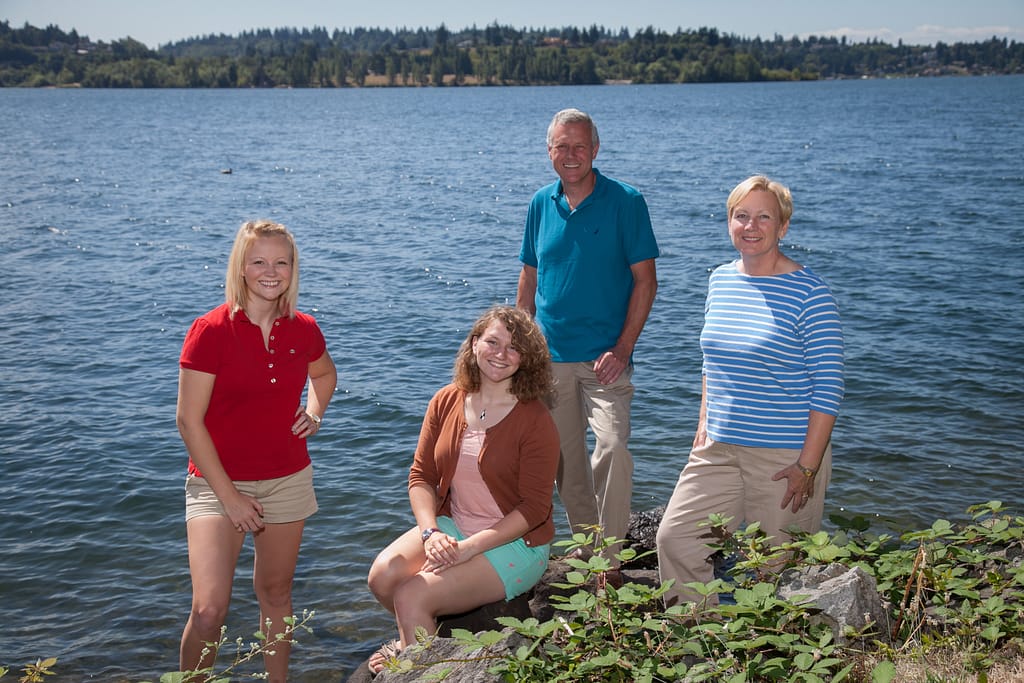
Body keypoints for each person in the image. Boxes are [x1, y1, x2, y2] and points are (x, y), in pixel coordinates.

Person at [656, 175, 844, 608]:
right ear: (729, 222)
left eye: (764, 216)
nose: (751, 225)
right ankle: (696, 655)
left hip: (784, 459)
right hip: (717, 450)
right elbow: (711, 362)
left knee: (775, 574)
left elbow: (829, 386)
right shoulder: (721, 281)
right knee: (677, 541)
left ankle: (771, 668)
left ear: (784, 226)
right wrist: (703, 425)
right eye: (742, 216)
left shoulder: (810, 293)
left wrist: (808, 467)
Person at [175, 220, 337, 682]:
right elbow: (188, 421)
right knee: (209, 609)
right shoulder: (210, 330)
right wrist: (231, 498)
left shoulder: (303, 328)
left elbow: (325, 375)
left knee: (276, 593)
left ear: (293, 268)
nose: (271, 271)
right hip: (214, 483)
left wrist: (316, 411)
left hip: (287, 477)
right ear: (241, 268)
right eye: (259, 261)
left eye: (281, 262)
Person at [366, 305, 560, 675]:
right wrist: (430, 532)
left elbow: (535, 509)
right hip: (453, 525)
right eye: (493, 342)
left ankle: (419, 669)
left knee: (411, 594)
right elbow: (420, 476)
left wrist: (469, 549)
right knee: (383, 576)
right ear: (474, 344)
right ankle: (418, 639)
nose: (501, 354)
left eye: (514, 347)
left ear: (527, 358)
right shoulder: (446, 399)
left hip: (516, 544)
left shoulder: (536, 420)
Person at [516, 108, 659, 574]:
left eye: (580, 146)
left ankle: (611, 560)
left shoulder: (626, 201)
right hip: (550, 357)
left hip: (606, 360)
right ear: (549, 152)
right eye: (562, 146)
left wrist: (623, 349)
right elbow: (529, 276)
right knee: (565, 461)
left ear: (595, 149)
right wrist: (520, 342)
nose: (571, 155)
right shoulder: (541, 203)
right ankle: (589, 545)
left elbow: (645, 282)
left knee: (614, 447)